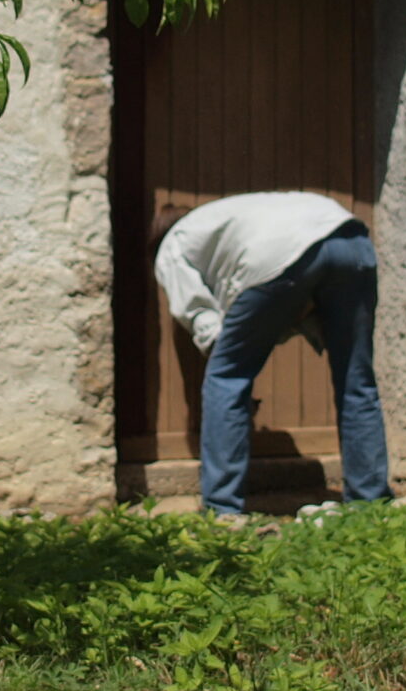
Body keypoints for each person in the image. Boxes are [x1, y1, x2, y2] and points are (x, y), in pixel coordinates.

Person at [153, 191, 389, 519]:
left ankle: (222, 510)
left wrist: (225, 354)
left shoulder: (173, 243)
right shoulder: (228, 215)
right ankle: (371, 504)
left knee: (226, 379)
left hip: (279, 255)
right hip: (351, 238)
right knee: (356, 380)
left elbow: (200, 314)